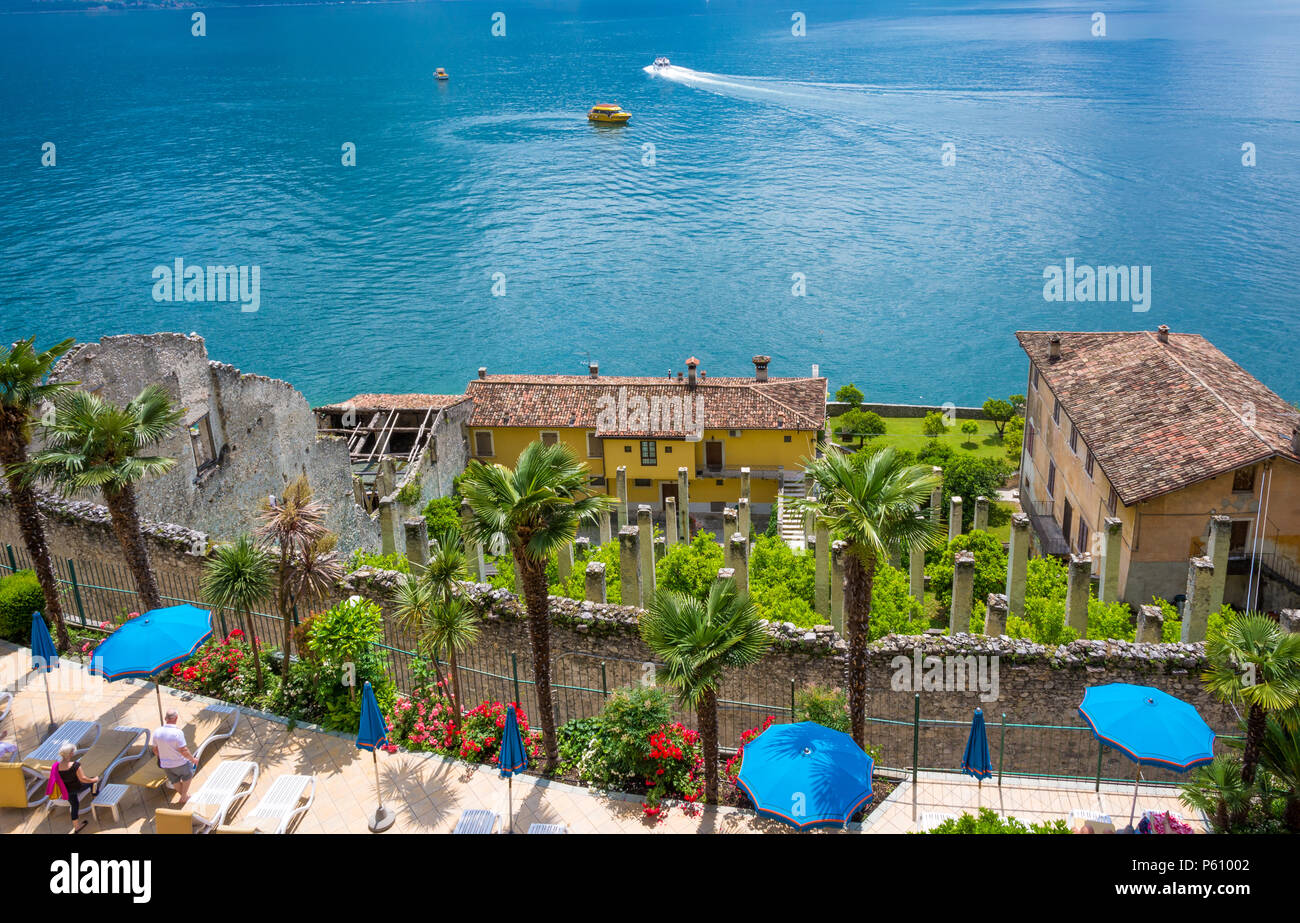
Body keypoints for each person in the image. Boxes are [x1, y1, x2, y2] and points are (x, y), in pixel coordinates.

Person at [153, 709, 199, 803]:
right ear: (176, 718)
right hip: (180, 763)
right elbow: (184, 750)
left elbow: (155, 750)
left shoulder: (157, 732)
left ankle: (184, 797)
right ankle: (184, 796)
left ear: (166, 718)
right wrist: (192, 759)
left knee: (175, 780)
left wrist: (163, 757)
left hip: (166, 765)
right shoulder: (177, 733)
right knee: (188, 774)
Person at [54, 741, 99, 834]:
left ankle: (77, 827)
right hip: (77, 787)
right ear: (71, 754)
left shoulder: (56, 766)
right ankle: (96, 798)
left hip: (66, 790)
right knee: (92, 783)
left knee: (74, 805)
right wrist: (94, 779)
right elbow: (83, 779)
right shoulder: (75, 765)